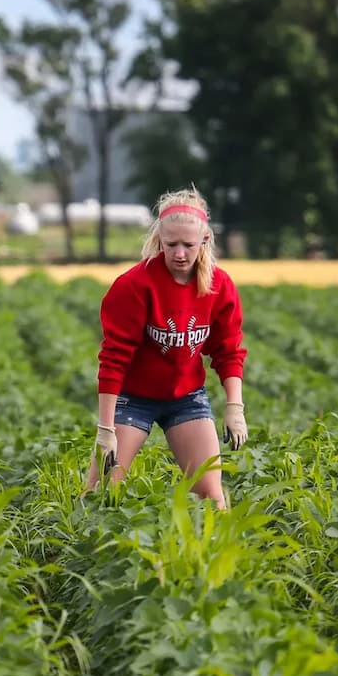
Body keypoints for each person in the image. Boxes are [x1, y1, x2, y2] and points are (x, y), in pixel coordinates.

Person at [85, 187, 247, 508]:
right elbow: (114, 360)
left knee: (210, 495)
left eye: (188, 245)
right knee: (102, 490)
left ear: (205, 241)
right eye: (171, 244)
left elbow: (228, 350)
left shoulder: (219, 286)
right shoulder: (134, 286)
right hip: (133, 398)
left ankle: (216, 552)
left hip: (185, 398)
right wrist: (106, 430)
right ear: (160, 239)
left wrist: (235, 407)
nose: (180, 254)